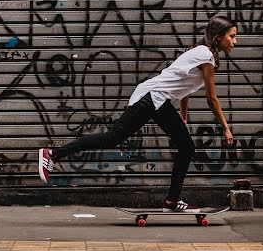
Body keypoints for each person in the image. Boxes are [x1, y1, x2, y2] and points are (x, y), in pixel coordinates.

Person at [38, 14, 238, 211]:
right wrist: (226, 128)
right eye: (232, 36)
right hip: (151, 98)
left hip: (156, 99)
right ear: (218, 36)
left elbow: (186, 88)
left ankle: (172, 200)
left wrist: (183, 116)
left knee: (184, 146)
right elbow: (211, 99)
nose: (234, 42)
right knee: (114, 138)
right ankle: (53, 154)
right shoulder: (205, 55)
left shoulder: (202, 53)